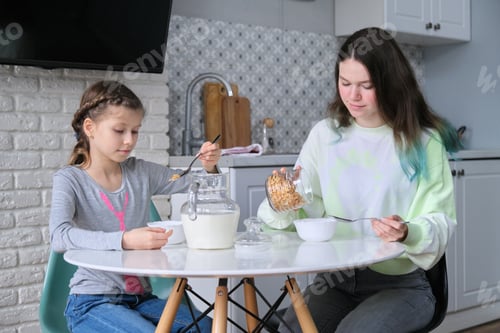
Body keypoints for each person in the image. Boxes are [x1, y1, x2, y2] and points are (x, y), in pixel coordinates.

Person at [257, 27, 462, 332]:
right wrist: (280, 201)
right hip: (334, 281)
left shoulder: (423, 142)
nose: (353, 95)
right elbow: (300, 205)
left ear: (391, 84)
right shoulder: (324, 135)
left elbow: (440, 220)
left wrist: (407, 231)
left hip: (401, 285)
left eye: (366, 85)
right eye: (345, 83)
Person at [49, 80, 218, 333]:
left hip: (141, 300)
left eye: (135, 131)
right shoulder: (70, 180)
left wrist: (208, 166)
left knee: (204, 327)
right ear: (90, 128)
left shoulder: (141, 172)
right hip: (92, 302)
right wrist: (125, 239)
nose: (129, 140)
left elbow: (192, 183)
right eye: (119, 130)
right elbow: (59, 237)